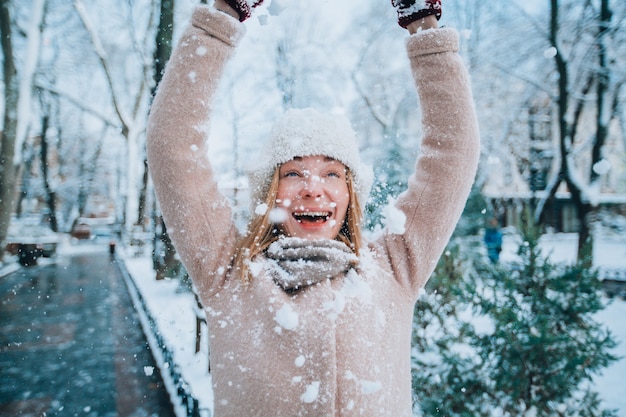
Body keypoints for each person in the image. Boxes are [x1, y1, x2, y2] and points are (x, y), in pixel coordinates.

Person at [146, 0, 480, 415]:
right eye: (293, 173)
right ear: (270, 193)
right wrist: (223, 12)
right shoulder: (228, 273)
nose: (312, 190)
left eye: (332, 174)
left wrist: (423, 25)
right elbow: (173, 146)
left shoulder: (394, 268)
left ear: (350, 195)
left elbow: (453, 154)